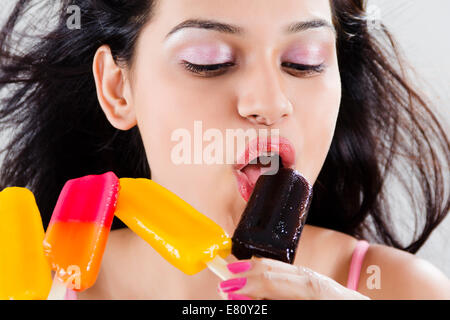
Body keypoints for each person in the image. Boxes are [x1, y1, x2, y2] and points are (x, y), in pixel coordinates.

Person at [0, 0, 449, 300]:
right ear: (118, 89)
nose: (271, 103)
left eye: (304, 61)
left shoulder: (403, 291)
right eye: (210, 61)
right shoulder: (37, 286)